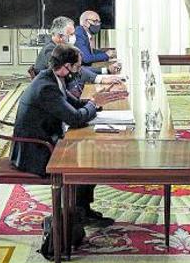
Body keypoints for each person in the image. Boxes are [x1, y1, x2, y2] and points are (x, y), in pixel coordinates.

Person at [11, 43, 129, 227]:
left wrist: (94, 102)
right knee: (84, 162)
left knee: (89, 154)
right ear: (66, 67)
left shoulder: (51, 78)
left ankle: (82, 210)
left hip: (46, 140)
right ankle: (78, 213)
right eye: (77, 67)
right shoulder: (46, 88)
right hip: (35, 151)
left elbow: (73, 105)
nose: (79, 70)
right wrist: (92, 104)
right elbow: (75, 119)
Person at [35, 16, 123, 87]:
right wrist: (100, 79)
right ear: (60, 37)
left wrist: (106, 70)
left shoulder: (60, 48)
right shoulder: (50, 51)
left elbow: (78, 68)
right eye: (71, 34)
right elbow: (74, 71)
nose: (74, 37)